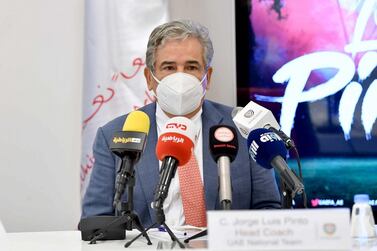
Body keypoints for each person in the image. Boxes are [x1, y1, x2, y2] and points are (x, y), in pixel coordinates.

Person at [82, 19, 281, 228]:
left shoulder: (243, 129)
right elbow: (95, 222)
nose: (180, 77)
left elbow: (270, 210)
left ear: (208, 78)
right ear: (149, 78)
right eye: (169, 67)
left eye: (191, 67)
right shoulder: (114, 134)